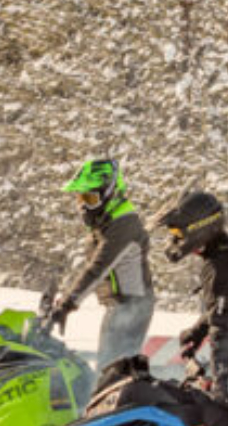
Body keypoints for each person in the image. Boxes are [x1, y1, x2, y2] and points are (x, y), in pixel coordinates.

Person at [46, 159, 155, 372]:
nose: (83, 206)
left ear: (110, 194)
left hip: (132, 306)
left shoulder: (123, 225)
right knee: (108, 370)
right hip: (121, 305)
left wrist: (68, 303)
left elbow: (98, 268)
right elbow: (89, 264)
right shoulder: (107, 220)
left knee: (111, 371)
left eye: (90, 198)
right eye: (79, 198)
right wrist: (65, 295)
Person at [159, 190, 228, 403]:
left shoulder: (220, 266)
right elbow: (223, 309)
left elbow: (224, 330)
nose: (175, 239)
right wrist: (198, 331)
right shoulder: (223, 252)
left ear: (199, 228)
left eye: (178, 232)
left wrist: (222, 388)